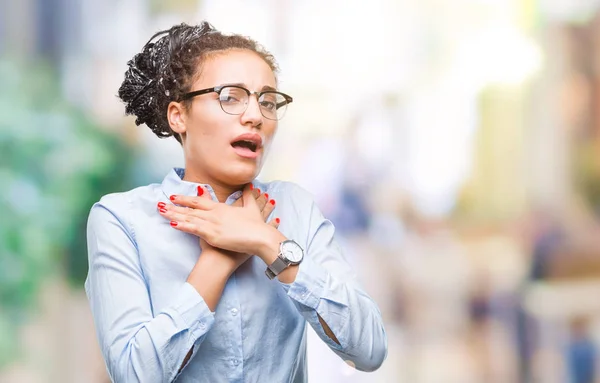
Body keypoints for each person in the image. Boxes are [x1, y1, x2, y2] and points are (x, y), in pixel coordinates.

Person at [85, 21, 387, 382]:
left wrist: (268, 242)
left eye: (268, 101)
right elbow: (135, 375)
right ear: (178, 115)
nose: (255, 115)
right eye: (230, 96)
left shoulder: (295, 209)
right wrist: (217, 260)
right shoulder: (122, 220)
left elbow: (369, 351)